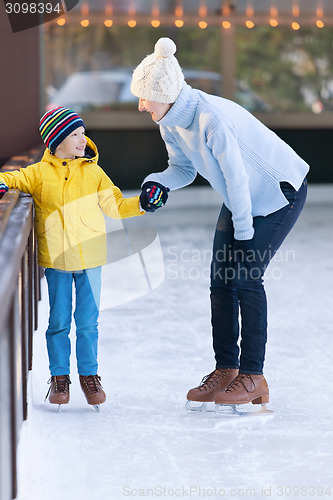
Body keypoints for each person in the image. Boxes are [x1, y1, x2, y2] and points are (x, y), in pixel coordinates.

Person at [130, 38, 309, 409]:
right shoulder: (171, 122)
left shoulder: (212, 119)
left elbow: (238, 177)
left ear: (164, 93)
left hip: (279, 191)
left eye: (145, 96)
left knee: (245, 277)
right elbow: (182, 169)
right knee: (220, 280)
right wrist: (156, 181)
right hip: (240, 195)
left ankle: (254, 376)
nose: (140, 104)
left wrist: (244, 232)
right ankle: (227, 369)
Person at [0, 107, 163, 409]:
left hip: (90, 259)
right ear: (57, 139)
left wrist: (142, 203)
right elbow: (14, 177)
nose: (82, 139)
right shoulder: (39, 173)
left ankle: (90, 375)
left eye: (83, 133)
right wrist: (3, 183)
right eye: (74, 134)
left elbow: (115, 205)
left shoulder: (94, 173)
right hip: (57, 261)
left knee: (88, 322)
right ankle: (59, 378)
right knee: (59, 321)